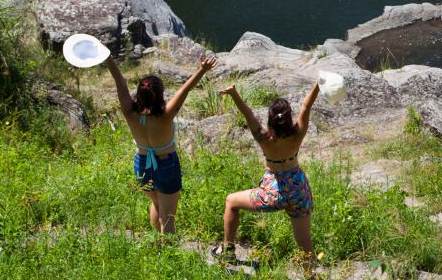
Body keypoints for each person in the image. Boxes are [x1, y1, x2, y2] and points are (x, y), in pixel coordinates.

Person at [107, 53, 217, 233]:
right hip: (166, 164)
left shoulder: (129, 112)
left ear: (138, 94)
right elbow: (185, 89)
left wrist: (108, 59)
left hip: (142, 164)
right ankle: (168, 247)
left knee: (157, 203)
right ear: (159, 95)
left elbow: (120, 81)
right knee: (168, 218)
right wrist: (202, 70)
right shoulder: (166, 114)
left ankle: (157, 242)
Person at [216, 81, 319, 261]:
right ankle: (310, 275)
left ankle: (227, 251)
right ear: (289, 117)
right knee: (304, 243)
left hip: (273, 192)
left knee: (231, 201)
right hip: (298, 189)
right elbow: (306, 106)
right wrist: (318, 84)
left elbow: (247, 113)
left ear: (270, 119)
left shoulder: (264, 138)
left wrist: (233, 93)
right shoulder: (297, 134)